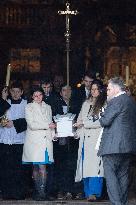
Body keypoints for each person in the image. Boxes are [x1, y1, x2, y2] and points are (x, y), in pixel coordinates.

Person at [98, 77, 136, 205]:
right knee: (123, 177)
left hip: (112, 147)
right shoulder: (131, 101)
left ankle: (116, 203)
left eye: (108, 89)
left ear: (115, 89)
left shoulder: (116, 101)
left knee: (111, 177)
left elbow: (105, 121)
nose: (107, 92)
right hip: (128, 146)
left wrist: (101, 113)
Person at [73, 80, 107, 202]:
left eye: (96, 89)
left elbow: (100, 121)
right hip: (84, 139)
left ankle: (94, 193)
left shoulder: (104, 104)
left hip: (96, 139)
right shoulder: (86, 103)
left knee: (95, 167)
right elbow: (80, 119)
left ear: (101, 90)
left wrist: (84, 123)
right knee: (85, 166)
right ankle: (88, 193)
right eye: (92, 89)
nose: (93, 91)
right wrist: (76, 132)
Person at [22, 86, 56, 201]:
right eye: (35, 95)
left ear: (43, 95)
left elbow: (51, 122)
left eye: (40, 95)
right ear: (32, 96)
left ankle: (42, 192)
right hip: (34, 141)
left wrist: (53, 134)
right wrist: (48, 126)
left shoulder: (48, 107)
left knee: (43, 167)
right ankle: (39, 191)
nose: (38, 97)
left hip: (46, 141)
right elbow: (32, 125)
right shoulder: (29, 107)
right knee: (36, 167)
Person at [0, 81, 27, 200]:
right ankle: (6, 193)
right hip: (6, 140)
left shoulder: (26, 104)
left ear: (22, 92)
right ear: (10, 92)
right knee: (6, 168)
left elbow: (29, 120)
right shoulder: (6, 103)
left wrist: (14, 123)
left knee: (18, 169)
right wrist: (3, 99)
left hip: (19, 141)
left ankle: (19, 193)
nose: (15, 94)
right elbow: (2, 117)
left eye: (18, 91)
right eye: (13, 91)